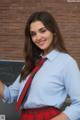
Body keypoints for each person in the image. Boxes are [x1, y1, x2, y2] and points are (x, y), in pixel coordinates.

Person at [0, 11, 80, 120]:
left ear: (53, 31)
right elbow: (9, 95)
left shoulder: (66, 62)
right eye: (33, 34)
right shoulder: (29, 64)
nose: (38, 37)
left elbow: (79, 103)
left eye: (42, 31)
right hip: (25, 117)